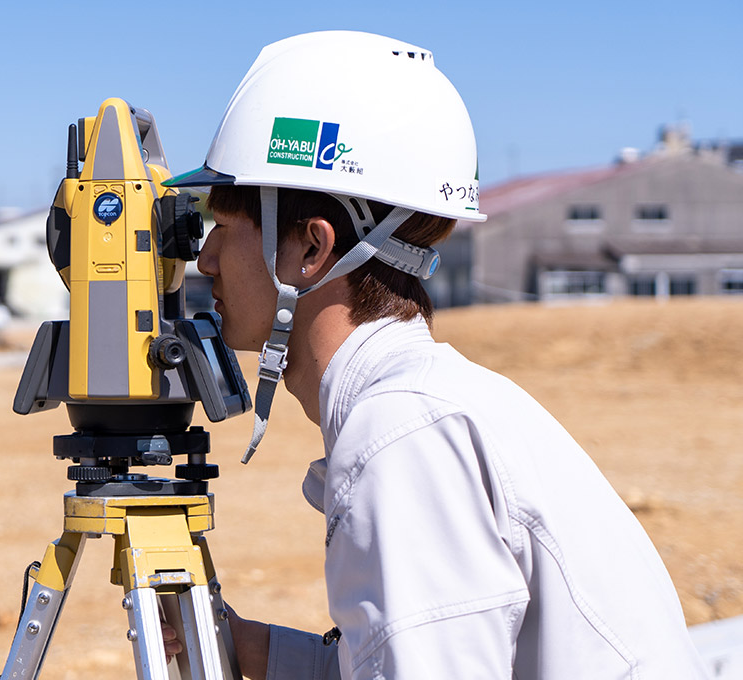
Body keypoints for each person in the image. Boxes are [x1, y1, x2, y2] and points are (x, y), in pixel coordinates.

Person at [164, 31, 709, 679]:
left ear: (310, 248)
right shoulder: (430, 402)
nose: (205, 260)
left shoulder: (402, 434)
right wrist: (255, 651)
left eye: (225, 228)